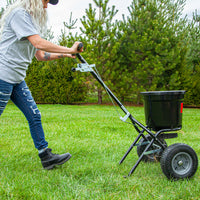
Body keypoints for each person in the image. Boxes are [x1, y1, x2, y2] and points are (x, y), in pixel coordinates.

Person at [0, 0, 83, 170]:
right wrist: (69, 49)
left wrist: (66, 55)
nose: (46, 6)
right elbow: (38, 43)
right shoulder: (19, 14)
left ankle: (46, 156)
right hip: (3, 75)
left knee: (34, 115)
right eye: (45, 1)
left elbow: (40, 55)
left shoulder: (29, 22)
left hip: (17, 79)